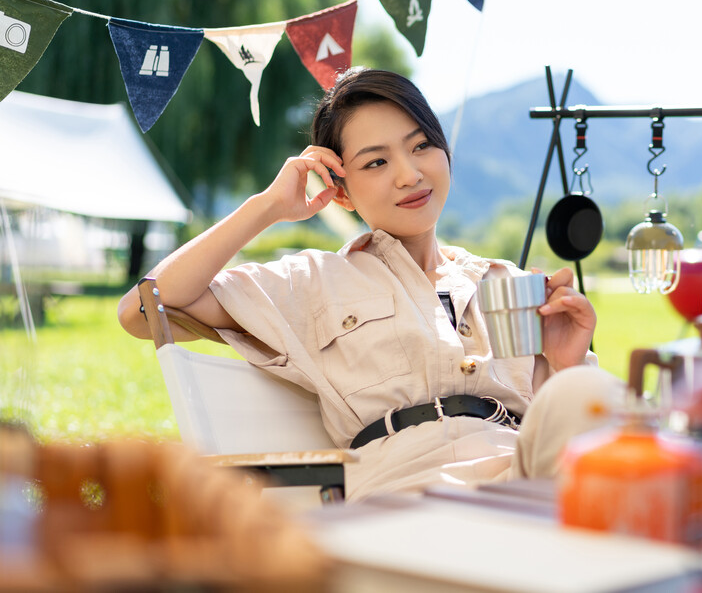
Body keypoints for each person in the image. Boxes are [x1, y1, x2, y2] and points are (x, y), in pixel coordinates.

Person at [117, 67, 624, 500]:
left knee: (595, 395)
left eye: (421, 146)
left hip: (525, 484)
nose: (409, 174)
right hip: (406, 493)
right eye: (376, 162)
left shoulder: (509, 284)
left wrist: (564, 364)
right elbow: (143, 310)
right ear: (340, 190)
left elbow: (578, 430)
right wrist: (267, 206)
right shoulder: (312, 281)